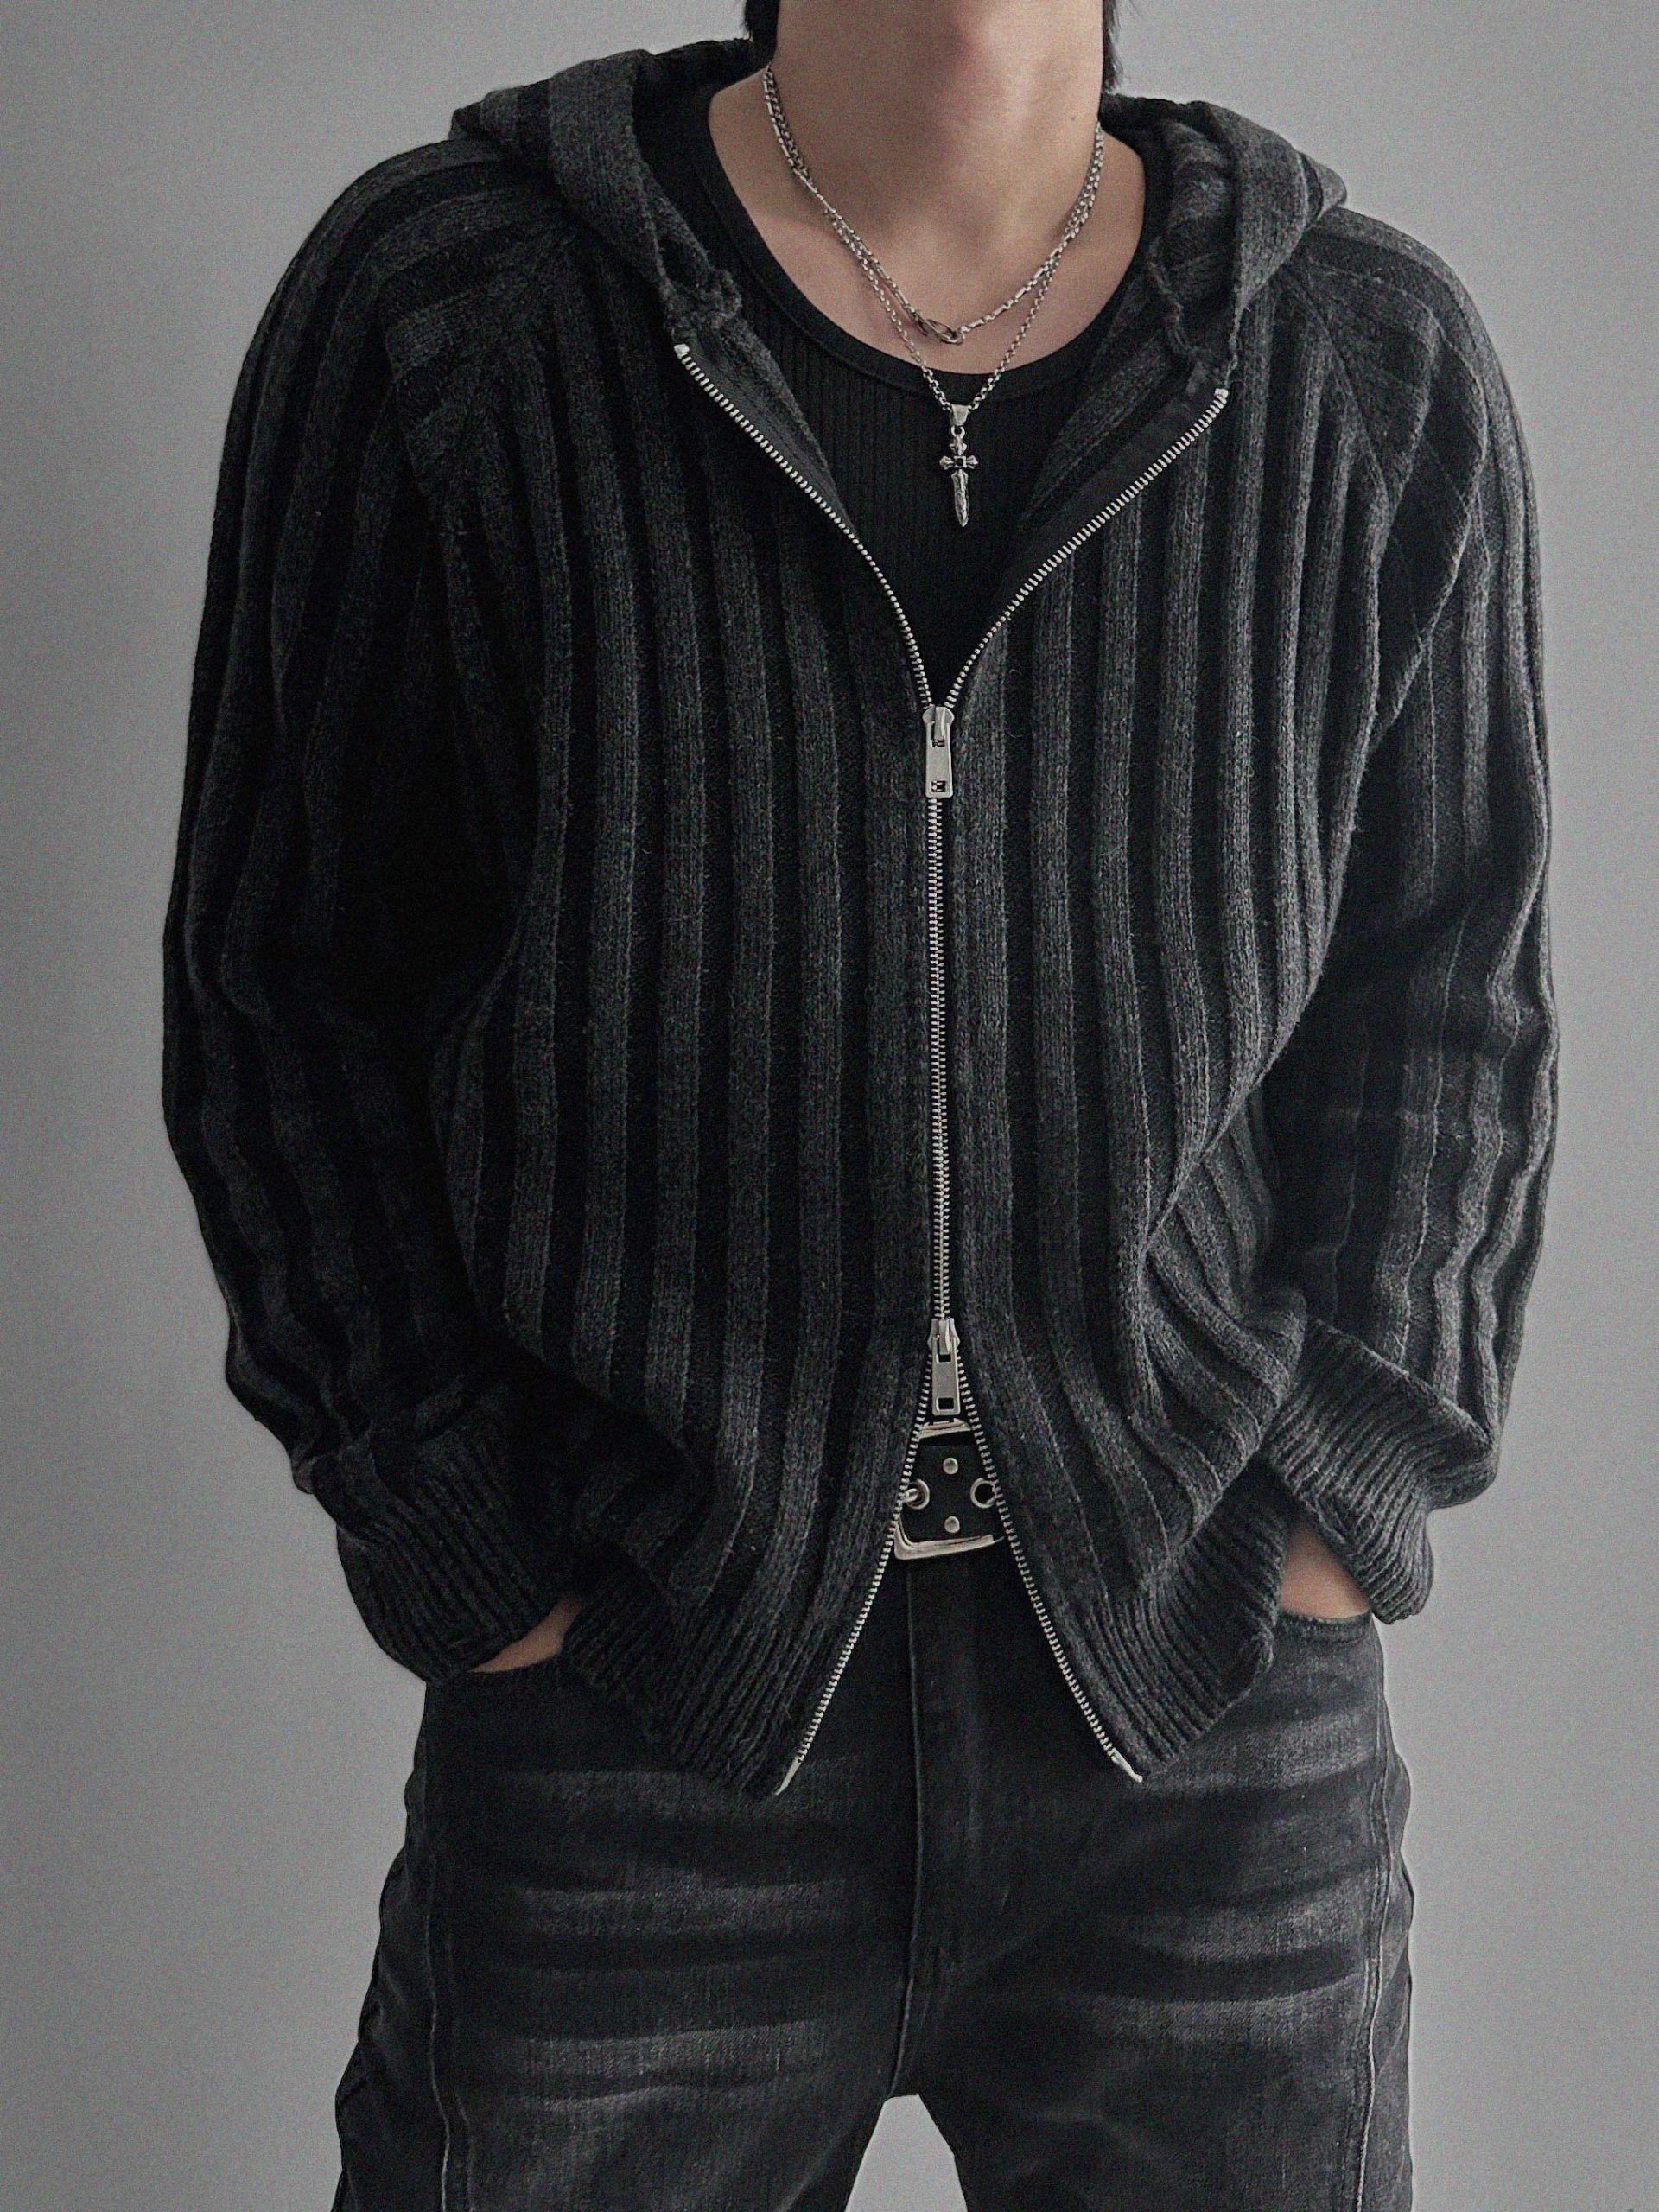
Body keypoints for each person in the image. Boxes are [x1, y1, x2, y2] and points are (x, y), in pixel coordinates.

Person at [160, 2, 1558, 2204]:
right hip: (645, 1694)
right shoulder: (456, 316)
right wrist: (472, 1547)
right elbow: (285, 982)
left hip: (1197, 1696)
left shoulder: (1358, 363)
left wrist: (1337, 1497)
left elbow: (1453, 982)